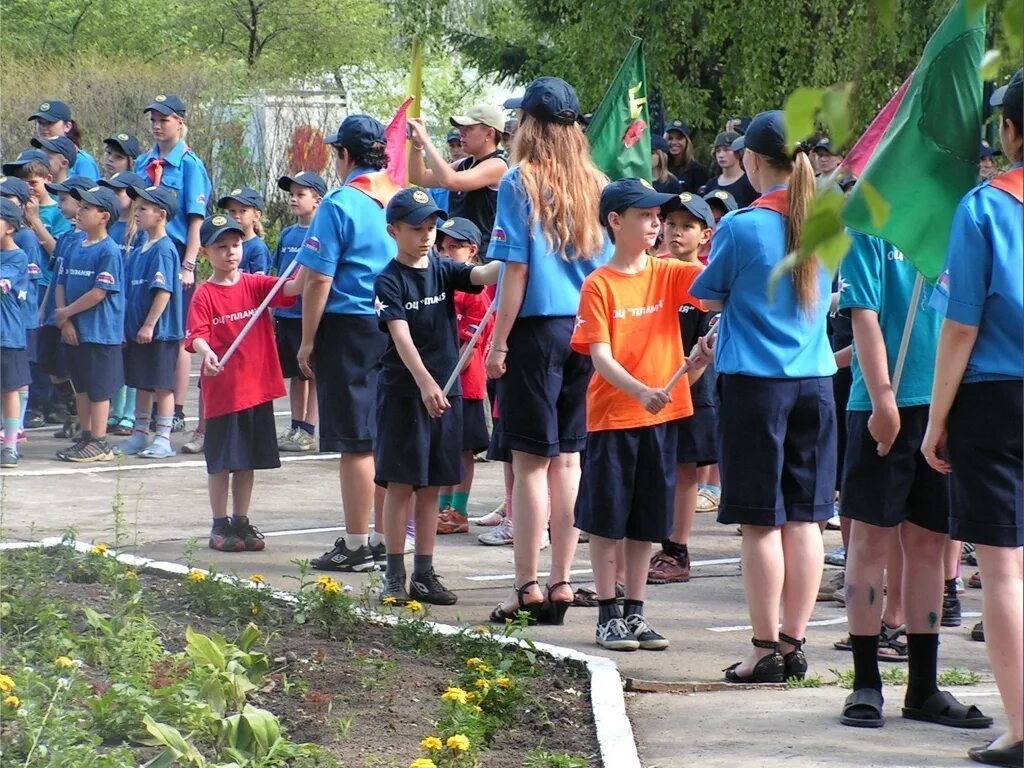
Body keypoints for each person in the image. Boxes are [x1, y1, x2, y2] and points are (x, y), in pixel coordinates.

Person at [689, 110, 837, 683]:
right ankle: (795, 644)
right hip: (815, 384)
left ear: (752, 160)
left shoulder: (743, 225)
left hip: (756, 387)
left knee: (760, 524)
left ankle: (762, 648)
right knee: (808, 521)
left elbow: (707, 294)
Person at [835, 228, 990, 730]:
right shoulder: (868, 229)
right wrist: (882, 399)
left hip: (942, 405)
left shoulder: (957, 225)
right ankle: (865, 682)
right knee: (870, 543)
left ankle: (923, 685)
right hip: (881, 406)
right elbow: (865, 316)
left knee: (929, 544)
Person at [922, 68, 1023, 768]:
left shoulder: (984, 207)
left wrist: (936, 419)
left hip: (996, 398)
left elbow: (960, 325)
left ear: (1010, 130)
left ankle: (1020, 729)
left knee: (1004, 572)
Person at [484, 76, 611, 624]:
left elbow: (515, 271)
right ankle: (563, 581)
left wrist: (497, 342)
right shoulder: (597, 183)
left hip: (536, 331)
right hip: (586, 327)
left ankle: (528, 585)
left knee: (530, 463)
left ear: (529, 126)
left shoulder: (520, 182)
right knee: (570, 459)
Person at [571, 179, 707, 649]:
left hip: (659, 419)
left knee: (648, 521)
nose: (657, 226)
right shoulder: (599, 284)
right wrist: (640, 390)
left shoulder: (669, 273)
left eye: (659, 218)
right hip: (614, 418)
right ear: (615, 221)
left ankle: (636, 611)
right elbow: (601, 357)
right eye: (646, 217)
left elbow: (714, 287)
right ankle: (607, 612)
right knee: (609, 520)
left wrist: (701, 358)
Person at [374, 189, 501, 604]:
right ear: (394, 231)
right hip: (405, 394)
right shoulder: (388, 280)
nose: (426, 236)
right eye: (416, 229)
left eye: (431, 228)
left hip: (442, 395)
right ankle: (394, 573)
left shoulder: (445, 269)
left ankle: (424, 573)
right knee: (401, 485)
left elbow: (482, 276)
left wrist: (516, 251)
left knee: (430, 487)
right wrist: (426, 382)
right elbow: (401, 336)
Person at [297, 115, 396, 573]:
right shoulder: (399, 198)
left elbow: (318, 278)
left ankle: (356, 545)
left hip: (350, 323)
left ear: (345, 155)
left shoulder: (339, 202)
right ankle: (381, 536)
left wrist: (307, 340)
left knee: (356, 442)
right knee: (381, 436)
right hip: (395, 322)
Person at [185, 214, 305, 552]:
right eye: (221, 247)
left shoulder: (256, 285)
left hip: (256, 391)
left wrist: (313, 256)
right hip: (224, 394)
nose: (230, 253)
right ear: (206, 253)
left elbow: (293, 288)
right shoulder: (205, 294)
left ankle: (241, 519)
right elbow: (196, 335)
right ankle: (219, 524)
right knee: (222, 462)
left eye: (235, 245)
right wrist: (206, 352)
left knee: (248, 461)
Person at [647, 193, 717, 586]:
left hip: (693, 388)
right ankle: (651, 539)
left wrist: (682, 384)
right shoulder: (651, 272)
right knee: (658, 467)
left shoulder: (706, 282)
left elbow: (703, 349)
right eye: (670, 223)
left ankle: (677, 549)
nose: (675, 232)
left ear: (705, 235)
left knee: (685, 469)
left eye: (687, 226)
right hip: (651, 384)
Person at [135, 93, 214, 441]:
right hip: (145, 249)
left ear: (180, 123)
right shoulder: (143, 161)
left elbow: (195, 220)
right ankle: (147, 408)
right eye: (153, 118)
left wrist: (189, 264)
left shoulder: (190, 165)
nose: (156, 124)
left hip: (177, 251)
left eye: (164, 119)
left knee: (175, 334)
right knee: (145, 328)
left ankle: (176, 408)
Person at [53, 186, 125, 463]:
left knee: (98, 389)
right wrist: (65, 319)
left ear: (104, 216)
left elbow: (99, 292)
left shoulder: (108, 250)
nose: (79, 212)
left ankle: (99, 440)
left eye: (86, 208)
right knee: (80, 386)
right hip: (75, 330)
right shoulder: (75, 245)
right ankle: (85, 436)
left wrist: (66, 312)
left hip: (99, 333)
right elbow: (62, 281)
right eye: (80, 206)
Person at [115, 185, 183, 459]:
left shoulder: (164, 249)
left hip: (160, 333)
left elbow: (163, 291)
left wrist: (149, 324)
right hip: (137, 332)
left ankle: (163, 438)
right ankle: (139, 434)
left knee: (161, 385)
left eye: (143, 208)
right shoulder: (140, 249)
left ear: (161, 214)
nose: (137, 213)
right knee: (141, 383)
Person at [435, 217, 493, 533]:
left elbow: (469, 344)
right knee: (445, 447)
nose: (446, 254)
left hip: (463, 385)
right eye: (442, 248)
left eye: (454, 248)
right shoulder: (440, 287)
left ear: (471, 251)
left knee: (462, 450)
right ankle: (443, 506)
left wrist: (446, 377)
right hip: (440, 383)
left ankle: (458, 511)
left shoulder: (475, 292)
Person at [408, 105, 509, 256]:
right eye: (463, 128)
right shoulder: (465, 164)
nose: (462, 133)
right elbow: (419, 177)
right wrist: (417, 145)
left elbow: (451, 181)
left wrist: (426, 141)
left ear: (489, 133)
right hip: (456, 253)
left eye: (469, 128)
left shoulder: (498, 164)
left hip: (480, 258)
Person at [274, 172, 327, 453]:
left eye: (301, 194)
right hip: (288, 314)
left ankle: (309, 428)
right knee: (296, 373)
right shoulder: (287, 234)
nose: (293, 199)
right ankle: (295, 425)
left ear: (318, 200)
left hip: (311, 315)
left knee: (313, 372)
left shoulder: (321, 233)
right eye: (291, 194)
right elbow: (279, 273)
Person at [0, 200, 30, 467]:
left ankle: (10, 444)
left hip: (7, 335)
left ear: (10, 227)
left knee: (9, 389)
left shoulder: (17, 256)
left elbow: (3, 284)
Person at [28, 100, 101, 180]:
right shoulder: (32, 157)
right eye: (40, 122)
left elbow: (89, 190)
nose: (43, 127)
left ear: (67, 126)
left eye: (49, 122)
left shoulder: (83, 161)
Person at [218, 187, 271, 275]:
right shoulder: (226, 243)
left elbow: (258, 284)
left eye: (243, 211)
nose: (236, 216)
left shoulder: (257, 248)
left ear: (256, 216)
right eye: (232, 211)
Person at [701, 131, 759, 208]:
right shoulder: (711, 184)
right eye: (718, 151)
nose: (721, 155)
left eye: (727, 150)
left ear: (739, 153)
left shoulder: (749, 183)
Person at [664, 120, 708, 193]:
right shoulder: (662, 168)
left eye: (679, 138)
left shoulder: (698, 170)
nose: (674, 142)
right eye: (670, 138)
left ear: (687, 141)